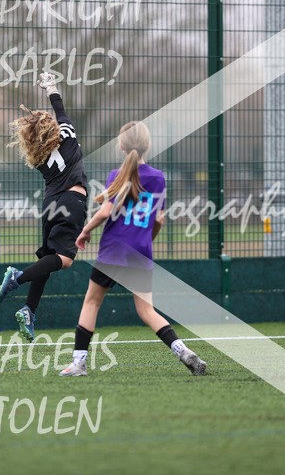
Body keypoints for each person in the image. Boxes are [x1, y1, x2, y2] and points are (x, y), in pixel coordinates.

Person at [59, 121, 207, 377]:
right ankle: (182, 350)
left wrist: (85, 231)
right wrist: (146, 240)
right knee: (147, 310)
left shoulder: (116, 175)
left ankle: (78, 364)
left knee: (92, 302)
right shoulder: (159, 178)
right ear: (148, 145)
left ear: (121, 145)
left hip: (113, 250)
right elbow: (158, 220)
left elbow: (106, 211)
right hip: (140, 252)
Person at [0, 73, 88, 343]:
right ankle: (18, 276)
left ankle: (29, 310)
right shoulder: (68, 134)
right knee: (66, 259)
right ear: (52, 127)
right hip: (72, 201)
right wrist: (51, 87)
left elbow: (52, 119)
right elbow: (60, 107)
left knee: (47, 258)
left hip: (50, 205)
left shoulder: (37, 155)